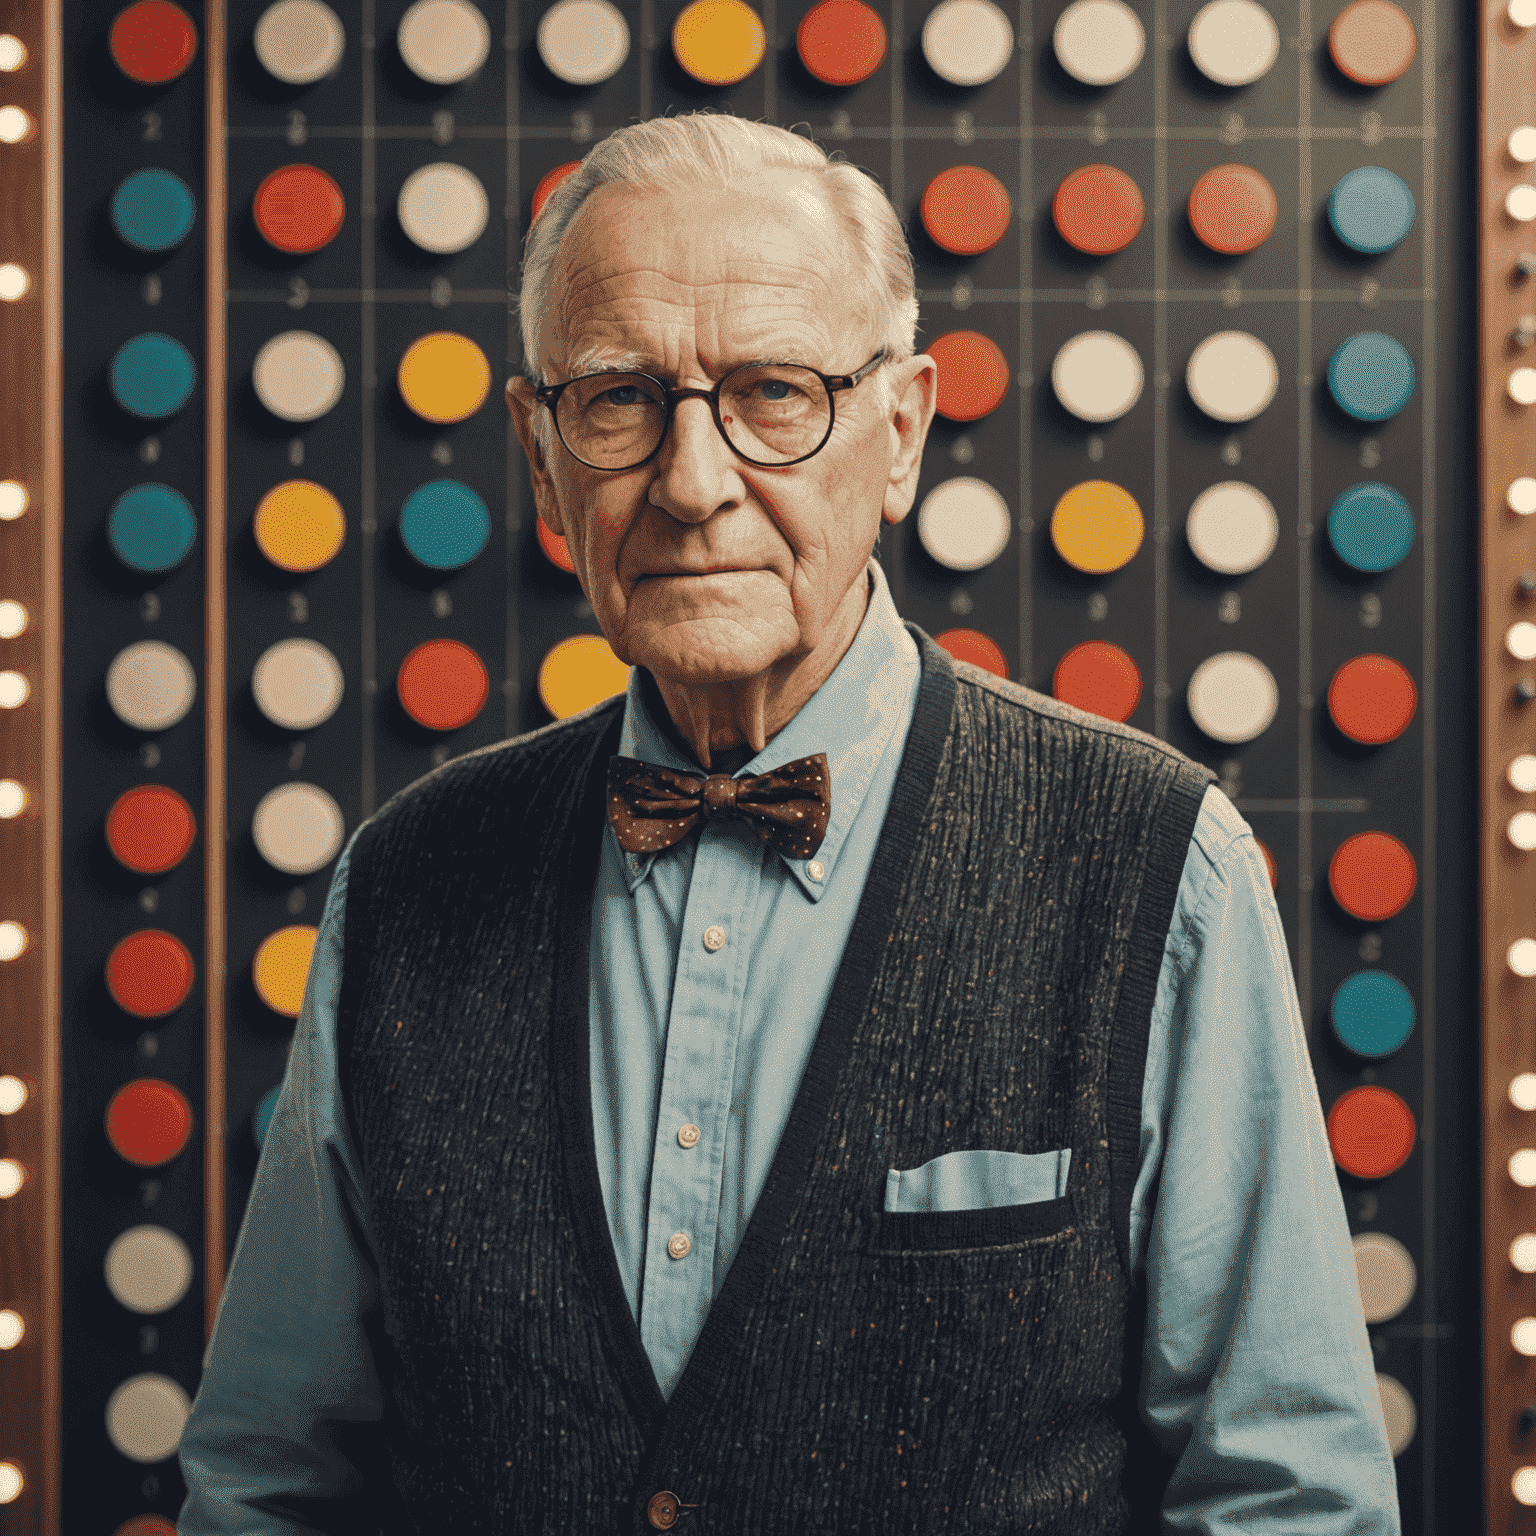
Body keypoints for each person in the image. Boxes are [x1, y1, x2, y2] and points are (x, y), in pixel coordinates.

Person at [177, 112, 1401, 1534]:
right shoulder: (401, 883)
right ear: (542, 455)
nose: (693, 485)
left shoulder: (1154, 865)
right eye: (621, 397)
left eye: (773, 394)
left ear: (899, 435)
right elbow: (269, 1485)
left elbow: (1288, 1501)